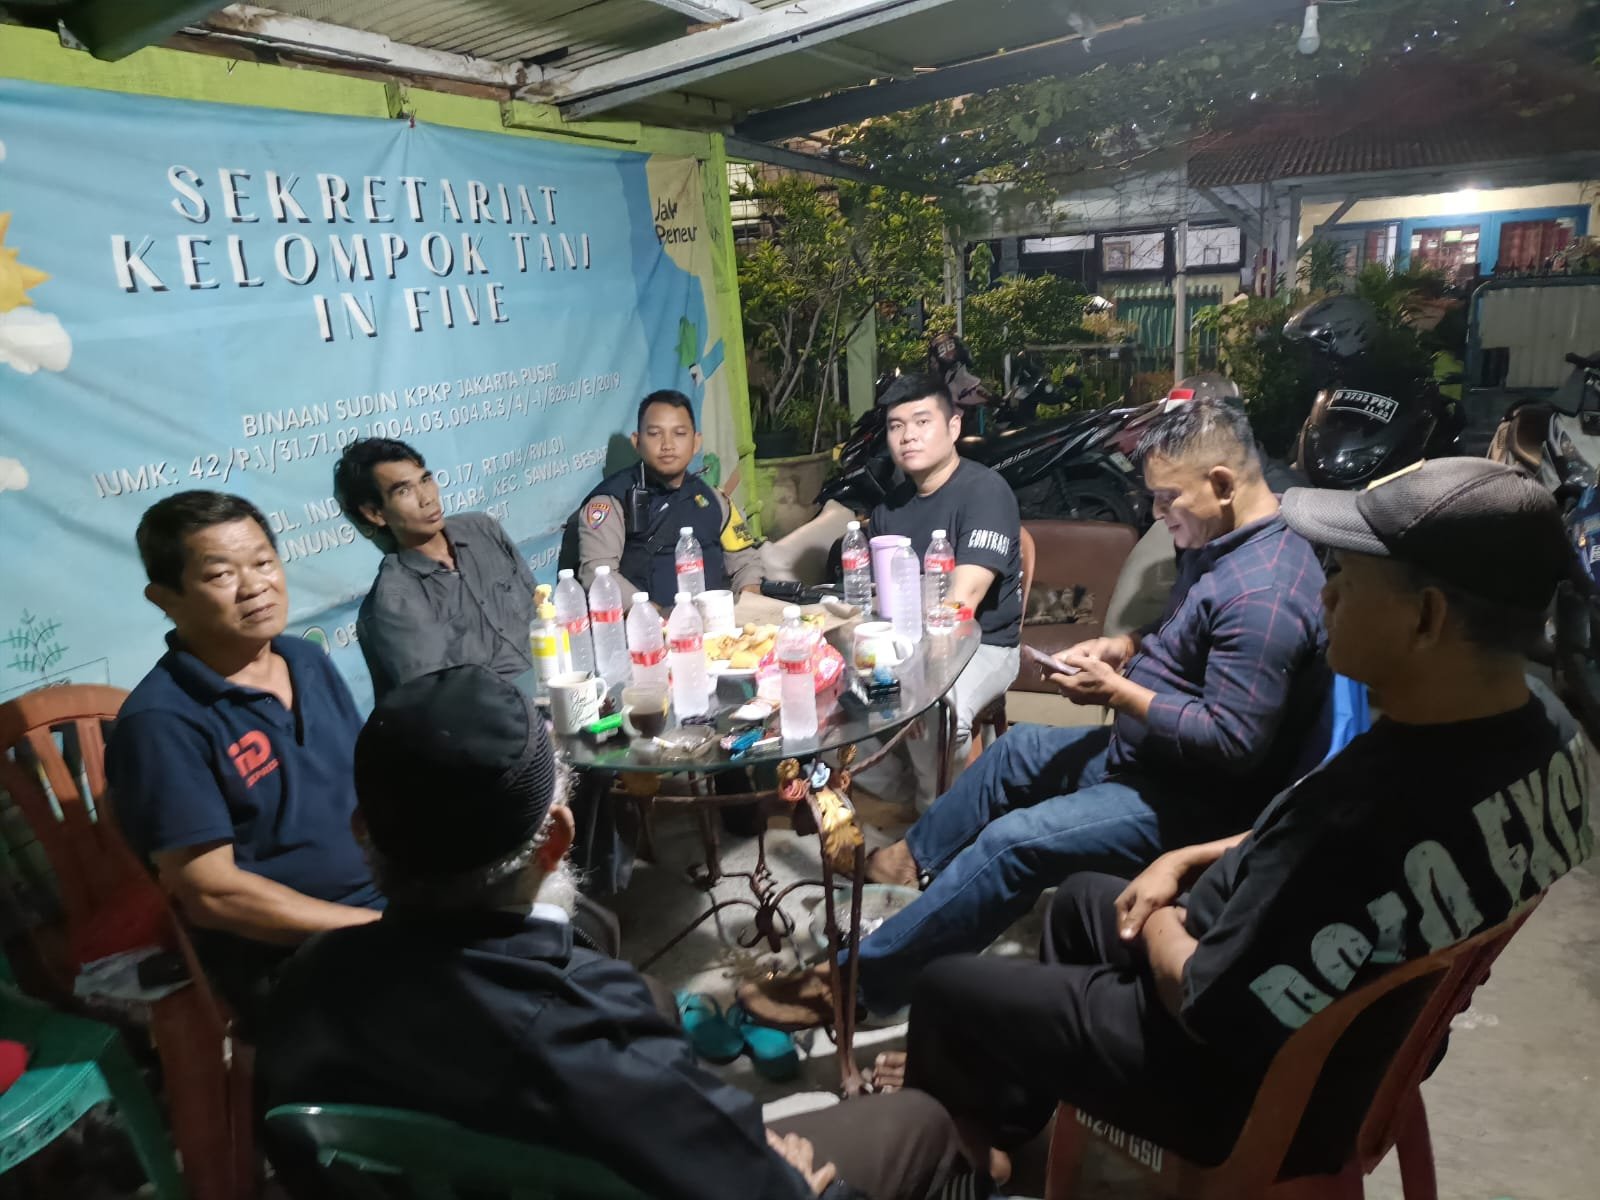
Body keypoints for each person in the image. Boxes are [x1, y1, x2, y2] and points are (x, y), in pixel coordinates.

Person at [894, 457, 1590, 1175]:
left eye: (1348, 578)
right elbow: (1305, 845)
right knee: (1078, 903)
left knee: (950, 991)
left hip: (1252, 1083)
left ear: (1426, 617)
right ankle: (1013, 1113)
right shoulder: (1546, 733)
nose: (1324, 594)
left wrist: (1164, 916)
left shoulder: (1356, 818)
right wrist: (1186, 858)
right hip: (1348, 1031)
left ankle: (959, 1157)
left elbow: (1201, 999)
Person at [258, 666, 974, 1200]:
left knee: (654, 1000)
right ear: (556, 838)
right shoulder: (588, 1028)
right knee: (918, 1123)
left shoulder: (304, 986)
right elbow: (751, 1179)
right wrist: (790, 1179)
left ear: (364, 833)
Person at [742, 399, 1329, 1026]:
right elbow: (1187, 632)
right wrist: (1124, 646)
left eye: (1167, 500)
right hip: (1150, 751)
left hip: (1193, 797)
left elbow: (1233, 742)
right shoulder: (1223, 538)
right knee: (1012, 754)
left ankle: (854, 987)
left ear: (1222, 484)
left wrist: (1119, 693)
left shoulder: (1264, 593)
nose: (1159, 514)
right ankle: (907, 866)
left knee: (1014, 843)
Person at [106, 491, 382, 1022]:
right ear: (164, 598)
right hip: (291, 954)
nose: (255, 586)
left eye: (263, 562)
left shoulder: (305, 659)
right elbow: (213, 895)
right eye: (220, 575)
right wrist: (379, 931)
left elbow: (368, 787)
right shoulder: (161, 723)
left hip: (392, 902)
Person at [853, 372, 1023, 811]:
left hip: (982, 645)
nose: (908, 435)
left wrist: (915, 681)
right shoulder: (889, 508)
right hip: (908, 644)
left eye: (922, 421)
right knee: (836, 697)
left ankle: (936, 831)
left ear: (953, 427)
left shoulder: (985, 492)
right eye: (896, 426)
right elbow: (882, 601)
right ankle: (921, 797)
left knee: (934, 712)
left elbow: (963, 602)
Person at [333, 438, 538, 699]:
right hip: (500, 715)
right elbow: (443, 702)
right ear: (375, 513)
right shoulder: (396, 599)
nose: (427, 498)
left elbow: (542, 611)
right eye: (404, 491)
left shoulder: (482, 529)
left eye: (426, 480)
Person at [578, 389, 765, 606]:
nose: (667, 445)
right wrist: (652, 614)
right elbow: (597, 575)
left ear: (696, 443)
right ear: (637, 442)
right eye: (655, 433)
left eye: (679, 433)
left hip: (717, 622)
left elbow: (745, 560)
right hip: (646, 624)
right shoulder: (612, 501)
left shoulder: (714, 499)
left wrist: (749, 597)